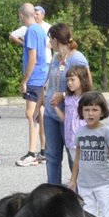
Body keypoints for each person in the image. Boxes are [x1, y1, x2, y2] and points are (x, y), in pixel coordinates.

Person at [40, 23, 88, 187]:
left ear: (55, 39)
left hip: (69, 116)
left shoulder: (77, 58)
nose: (49, 44)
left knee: (72, 154)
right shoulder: (55, 57)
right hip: (50, 113)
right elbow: (49, 82)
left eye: (50, 40)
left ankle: (78, 191)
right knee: (52, 155)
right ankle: (53, 192)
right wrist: (41, 102)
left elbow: (87, 86)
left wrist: (64, 95)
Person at [15, 4, 49, 167]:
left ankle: (31, 153)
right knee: (40, 114)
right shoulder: (40, 29)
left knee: (31, 115)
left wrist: (24, 81)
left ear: (22, 15)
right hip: (43, 75)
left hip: (35, 78)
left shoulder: (30, 32)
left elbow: (32, 58)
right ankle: (43, 151)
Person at [60, 63, 91, 180]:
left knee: (86, 169)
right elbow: (66, 119)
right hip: (71, 140)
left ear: (82, 79)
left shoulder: (87, 98)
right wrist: (56, 108)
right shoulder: (68, 98)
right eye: (68, 80)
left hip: (84, 141)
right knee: (76, 168)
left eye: (72, 80)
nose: (69, 83)